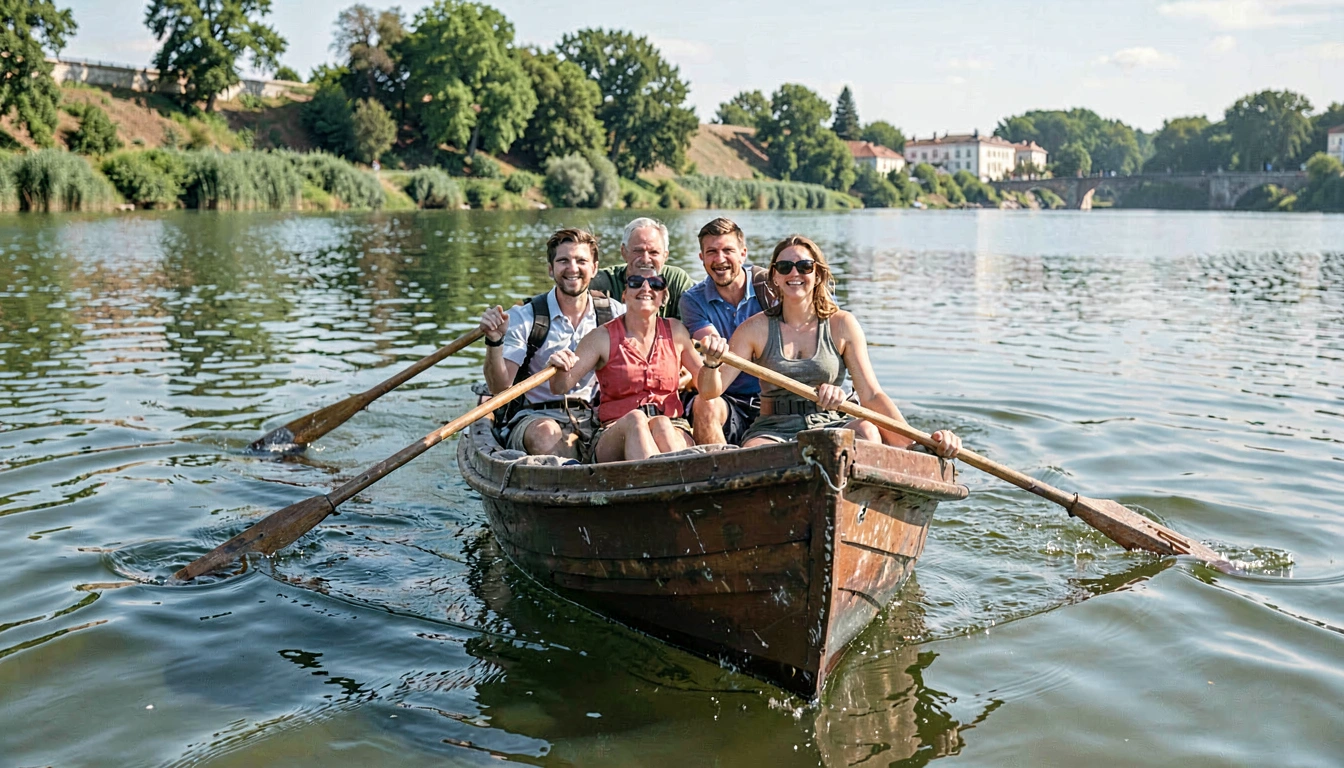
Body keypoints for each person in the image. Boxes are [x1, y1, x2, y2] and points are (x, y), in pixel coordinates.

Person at [697, 234, 961, 458]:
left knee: (867, 430)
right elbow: (709, 392)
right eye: (785, 266)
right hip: (773, 428)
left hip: (833, 421)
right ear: (774, 277)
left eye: (804, 266)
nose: (794, 273)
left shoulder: (842, 325)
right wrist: (711, 363)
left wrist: (919, 443)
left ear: (818, 274)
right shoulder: (754, 329)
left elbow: (870, 396)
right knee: (755, 454)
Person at [478, 228, 625, 460]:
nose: (573, 268)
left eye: (581, 261)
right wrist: (494, 341)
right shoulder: (526, 317)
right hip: (535, 417)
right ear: (550, 269)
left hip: (596, 417)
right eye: (563, 260)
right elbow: (498, 389)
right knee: (546, 433)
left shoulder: (616, 314)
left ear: (594, 268)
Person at [547, 267, 703, 462]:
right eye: (636, 282)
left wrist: (712, 364)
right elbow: (560, 386)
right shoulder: (601, 337)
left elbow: (711, 388)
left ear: (664, 297)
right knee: (636, 419)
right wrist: (560, 366)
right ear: (624, 295)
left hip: (672, 426)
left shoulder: (677, 331)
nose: (646, 288)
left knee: (662, 424)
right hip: (615, 431)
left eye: (655, 284)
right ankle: (659, 482)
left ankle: (670, 480)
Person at [679, 217, 773, 445]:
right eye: (711, 252)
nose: (720, 260)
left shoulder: (772, 287)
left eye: (727, 250)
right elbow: (714, 344)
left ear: (743, 253)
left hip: (775, 400)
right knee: (704, 403)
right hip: (730, 400)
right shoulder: (693, 300)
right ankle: (719, 474)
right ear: (701, 258)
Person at [590, 217, 694, 321]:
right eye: (638, 251)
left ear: (665, 256)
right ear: (624, 252)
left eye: (654, 252)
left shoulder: (677, 280)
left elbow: (694, 322)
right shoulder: (602, 281)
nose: (645, 259)